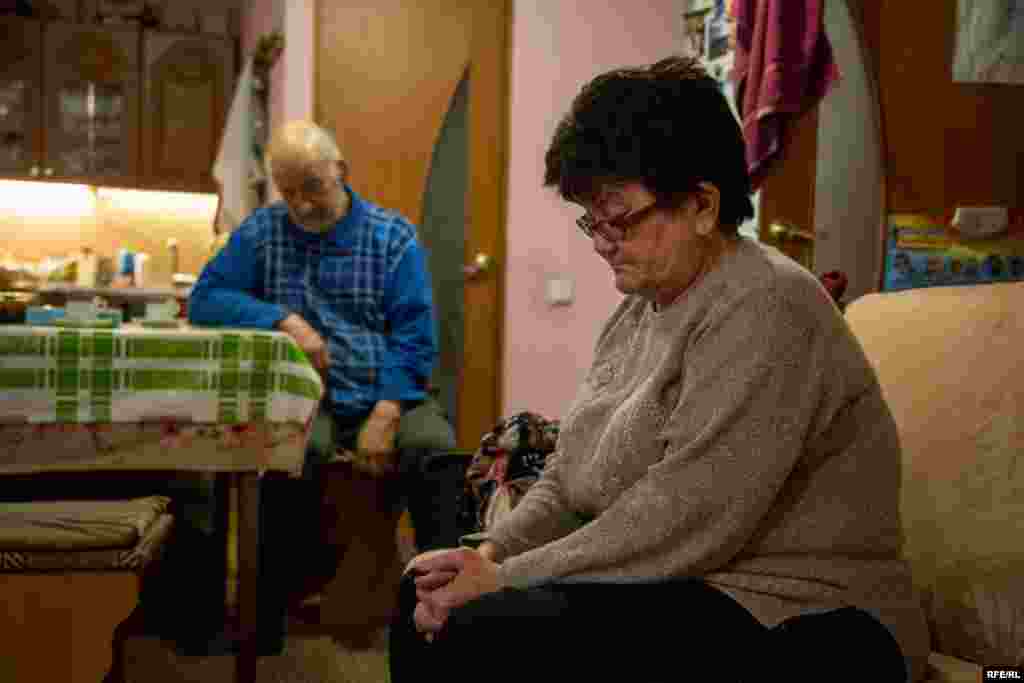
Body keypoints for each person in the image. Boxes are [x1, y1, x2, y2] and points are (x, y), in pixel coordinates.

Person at [392, 56, 930, 683]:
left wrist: (503, 580)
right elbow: (569, 479)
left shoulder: (769, 303)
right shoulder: (641, 309)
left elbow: (685, 517)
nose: (599, 241)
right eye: (590, 219)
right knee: (422, 597)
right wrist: (487, 552)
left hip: (805, 611)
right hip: (692, 581)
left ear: (702, 204)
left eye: (617, 218)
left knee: (485, 630)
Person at [189, 120, 461, 655]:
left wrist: (386, 413)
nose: (302, 206)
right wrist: (281, 318)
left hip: (388, 389)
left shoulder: (392, 236)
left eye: (312, 188)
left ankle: (443, 614)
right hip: (307, 396)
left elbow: (415, 335)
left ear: (341, 171)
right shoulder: (264, 231)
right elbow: (206, 297)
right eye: (288, 192)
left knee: (436, 452)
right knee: (288, 457)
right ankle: (265, 618)